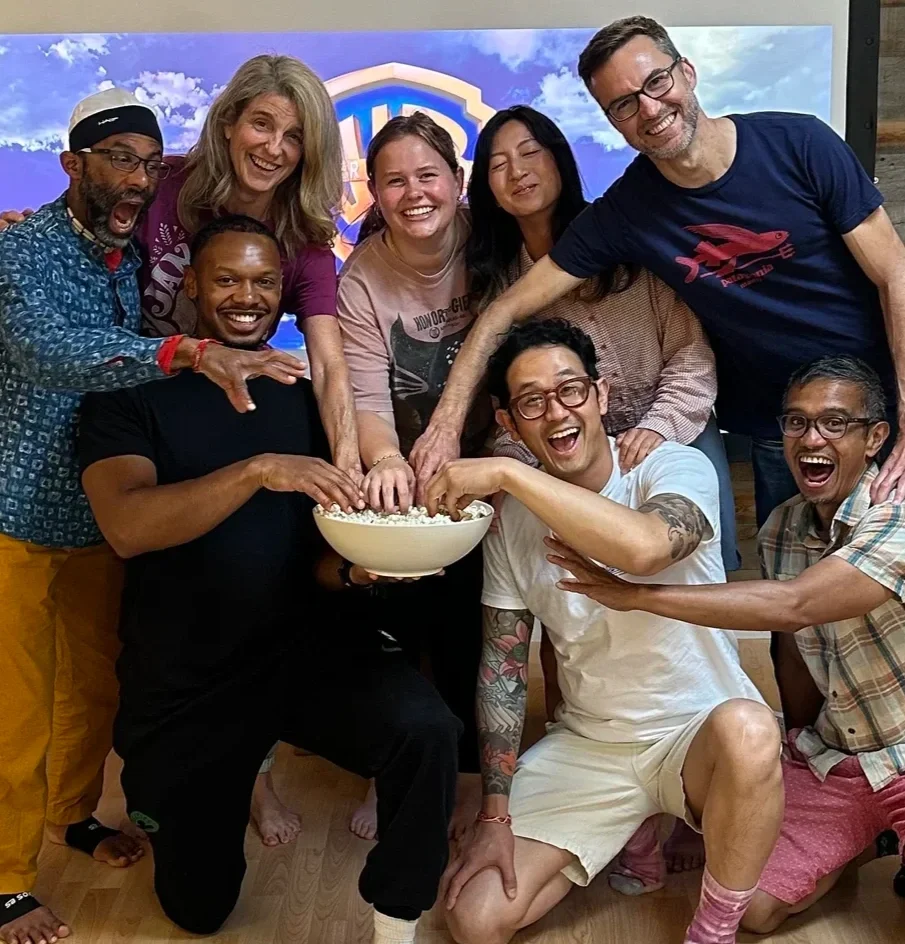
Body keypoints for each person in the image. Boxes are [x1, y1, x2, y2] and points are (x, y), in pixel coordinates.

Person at [77, 214, 460, 944]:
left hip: (305, 655)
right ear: (191, 287)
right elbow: (127, 525)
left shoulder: (303, 394)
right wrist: (257, 471)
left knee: (428, 732)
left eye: (263, 282)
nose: (247, 297)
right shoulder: (129, 394)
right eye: (226, 279)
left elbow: (318, 561)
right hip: (189, 681)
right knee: (198, 910)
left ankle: (396, 917)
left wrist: (358, 568)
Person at [0, 89, 306, 944]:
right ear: (72, 165)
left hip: (99, 513)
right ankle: (6, 880)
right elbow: (46, 351)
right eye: (118, 160)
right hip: (19, 510)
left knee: (95, 687)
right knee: (16, 707)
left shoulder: (130, 257)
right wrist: (183, 351)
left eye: (147, 163)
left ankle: (72, 814)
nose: (136, 179)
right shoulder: (20, 250)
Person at [411, 14, 905, 533]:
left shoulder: (800, 143)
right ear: (613, 121)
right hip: (779, 427)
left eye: (656, 82)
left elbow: (894, 273)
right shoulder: (628, 211)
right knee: (793, 570)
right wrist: (443, 429)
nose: (649, 109)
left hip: (878, 408)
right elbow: (504, 311)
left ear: (686, 72)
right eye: (624, 104)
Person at [425, 319, 783, 944]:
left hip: (699, 736)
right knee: (474, 919)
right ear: (508, 422)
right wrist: (495, 813)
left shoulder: (674, 466)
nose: (556, 413)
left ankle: (712, 930)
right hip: (592, 742)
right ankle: (632, 830)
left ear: (602, 395)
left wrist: (509, 473)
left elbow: (647, 547)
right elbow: (504, 671)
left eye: (571, 390)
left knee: (752, 730)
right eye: (531, 402)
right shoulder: (512, 523)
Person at [548, 353, 905, 928]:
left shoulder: (897, 513)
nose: (812, 438)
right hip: (842, 759)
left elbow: (795, 605)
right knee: (754, 906)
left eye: (835, 423)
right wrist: (796, 746)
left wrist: (636, 594)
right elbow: (793, 648)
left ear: (875, 438)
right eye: (797, 422)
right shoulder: (783, 526)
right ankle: (869, 838)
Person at [0, 55, 360, 485]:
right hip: (129, 406)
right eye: (262, 124)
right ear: (228, 123)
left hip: (220, 415)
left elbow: (329, 365)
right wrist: (26, 231)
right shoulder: (161, 182)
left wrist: (349, 470)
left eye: (294, 136)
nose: (273, 148)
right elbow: (81, 218)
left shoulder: (305, 242)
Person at [468, 103, 737, 570]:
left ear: (558, 158)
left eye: (530, 153)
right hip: (575, 453)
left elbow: (690, 352)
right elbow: (512, 403)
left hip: (675, 427)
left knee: (700, 566)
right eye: (498, 164)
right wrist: (512, 467)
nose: (517, 172)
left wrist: (659, 426)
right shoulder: (500, 286)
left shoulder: (627, 238)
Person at [337, 112, 494, 839]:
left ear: (457, 180)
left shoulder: (491, 243)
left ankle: (469, 774)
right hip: (404, 461)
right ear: (374, 190)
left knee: (473, 620)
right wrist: (387, 461)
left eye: (427, 175)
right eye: (394, 180)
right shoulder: (362, 278)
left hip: (496, 456)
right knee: (392, 603)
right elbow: (367, 399)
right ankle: (394, 767)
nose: (414, 193)